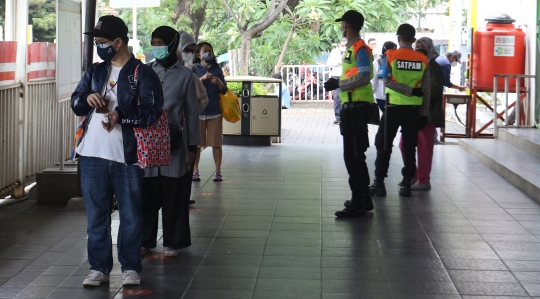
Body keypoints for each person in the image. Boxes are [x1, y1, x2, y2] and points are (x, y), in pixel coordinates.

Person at [71, 15, 164, 287]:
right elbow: (76, 102)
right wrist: (87, 99)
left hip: (128, 156)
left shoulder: (142, 73)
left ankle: (130, 267)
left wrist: (119, 114)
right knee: (96, 216)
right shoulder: (95, 71)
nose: (99, 46)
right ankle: (98, 268)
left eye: (102, 41)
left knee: (131, 215)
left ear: (118, 42)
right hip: (91, 155)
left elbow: (152, 111)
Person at [141, 26, 201, 257]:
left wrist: (193, 146)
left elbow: (192, 113)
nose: (157, 46)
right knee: (147, 192)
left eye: (161, 42)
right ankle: (145, 240)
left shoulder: (186, 76)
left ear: (172, 43)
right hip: (147, 143)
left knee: (174, 192)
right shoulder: (145, 72)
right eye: (154, 42)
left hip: (174, 143)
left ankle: (172, 242)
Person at [369, 23, 430, 197]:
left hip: (393, 107)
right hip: (413, 109)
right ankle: (406, 184)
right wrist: (424, 113)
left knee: (383, 144)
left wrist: (407, 90)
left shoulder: (390, 56)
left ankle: (379, 183)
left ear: (398, 38)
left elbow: (386, 81)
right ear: (413, 39)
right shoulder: (422, 59)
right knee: (410, 147)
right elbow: (426, 89)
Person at [324, 10, 375, 218]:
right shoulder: (352, 48)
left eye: (342, 24)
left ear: (346, 24)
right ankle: (363, 198)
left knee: (353, 156)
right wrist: (338, 81)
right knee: (354, 155)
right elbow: (354, 74)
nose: (340, 27)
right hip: (352, 106)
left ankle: (358, 201)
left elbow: (364, 76)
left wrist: (340, 83)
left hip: (357, 107)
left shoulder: (360, 48)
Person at [397, 37, 444, 191]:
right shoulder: (419, 63)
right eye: (417, 45)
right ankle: (413, 174)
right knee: (405, 144)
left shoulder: (433, 65)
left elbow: (436, 90)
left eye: (422, 46)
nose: (419, 48)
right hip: (413, 110)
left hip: (427, 113)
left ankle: (424, 179)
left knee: (424, 146)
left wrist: (420, 94)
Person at [191, 42, 228, 182]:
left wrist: (219, 83)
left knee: (216, 143)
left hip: (215, 111)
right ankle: (195, 171)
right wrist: (202, 79)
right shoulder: (194, 69)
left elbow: (224, 90)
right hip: (198, 112)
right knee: (197, 144)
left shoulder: (217, 69)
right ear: (198, 55)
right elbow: (189, 88)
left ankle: (218, 171)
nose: (209, 53)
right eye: (205, 51)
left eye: (210, 51)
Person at [434, 49, 466, 144]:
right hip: (435, 91)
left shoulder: (439, 59)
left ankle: (433, 138)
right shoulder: (446, 64)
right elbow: (446, 82)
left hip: (430, 90)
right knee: (434, 115)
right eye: (455, 60)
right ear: (452, 57)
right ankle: (433, 139)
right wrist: (459, 87)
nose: (454, 63)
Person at [326, 37, 347, 124]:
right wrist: (338, 62)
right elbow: (329, 64)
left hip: (347, 76)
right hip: (336, 76)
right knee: (337, 97)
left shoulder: (350, 52)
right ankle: (338, 117)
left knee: (347, 97)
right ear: (339, 44)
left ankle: (346, 116)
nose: (344, 47)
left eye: (345, 45)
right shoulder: (334, 52)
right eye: (342, 45)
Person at [372, 41, 397, 112]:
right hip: (385, 94)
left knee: (387, 116)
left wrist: (373, 91)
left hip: (384, 94)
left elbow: (374, 79)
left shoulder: (378, 61)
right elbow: (374, 78)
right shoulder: (378, 61)